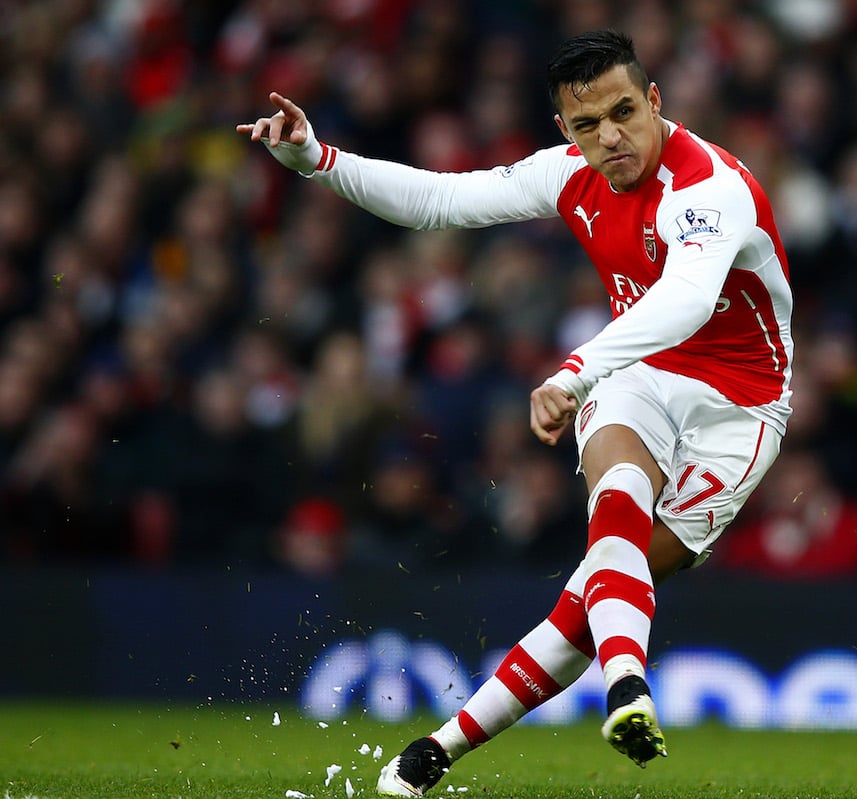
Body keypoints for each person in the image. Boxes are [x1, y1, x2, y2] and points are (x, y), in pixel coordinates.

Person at [238, 29, 793, 797]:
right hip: (640, 371)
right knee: (618, 505)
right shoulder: (568, 173)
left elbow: (688, 299)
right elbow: (438, 199)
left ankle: (438, 746)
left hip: (740, 408)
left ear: (655, 102)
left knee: (588, 597)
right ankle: (629, 684)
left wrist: (574, 367)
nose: (612, 137)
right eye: (588, 124)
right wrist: (317, 159)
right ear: (565, 129)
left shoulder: (709, 187)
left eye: (625, 112)